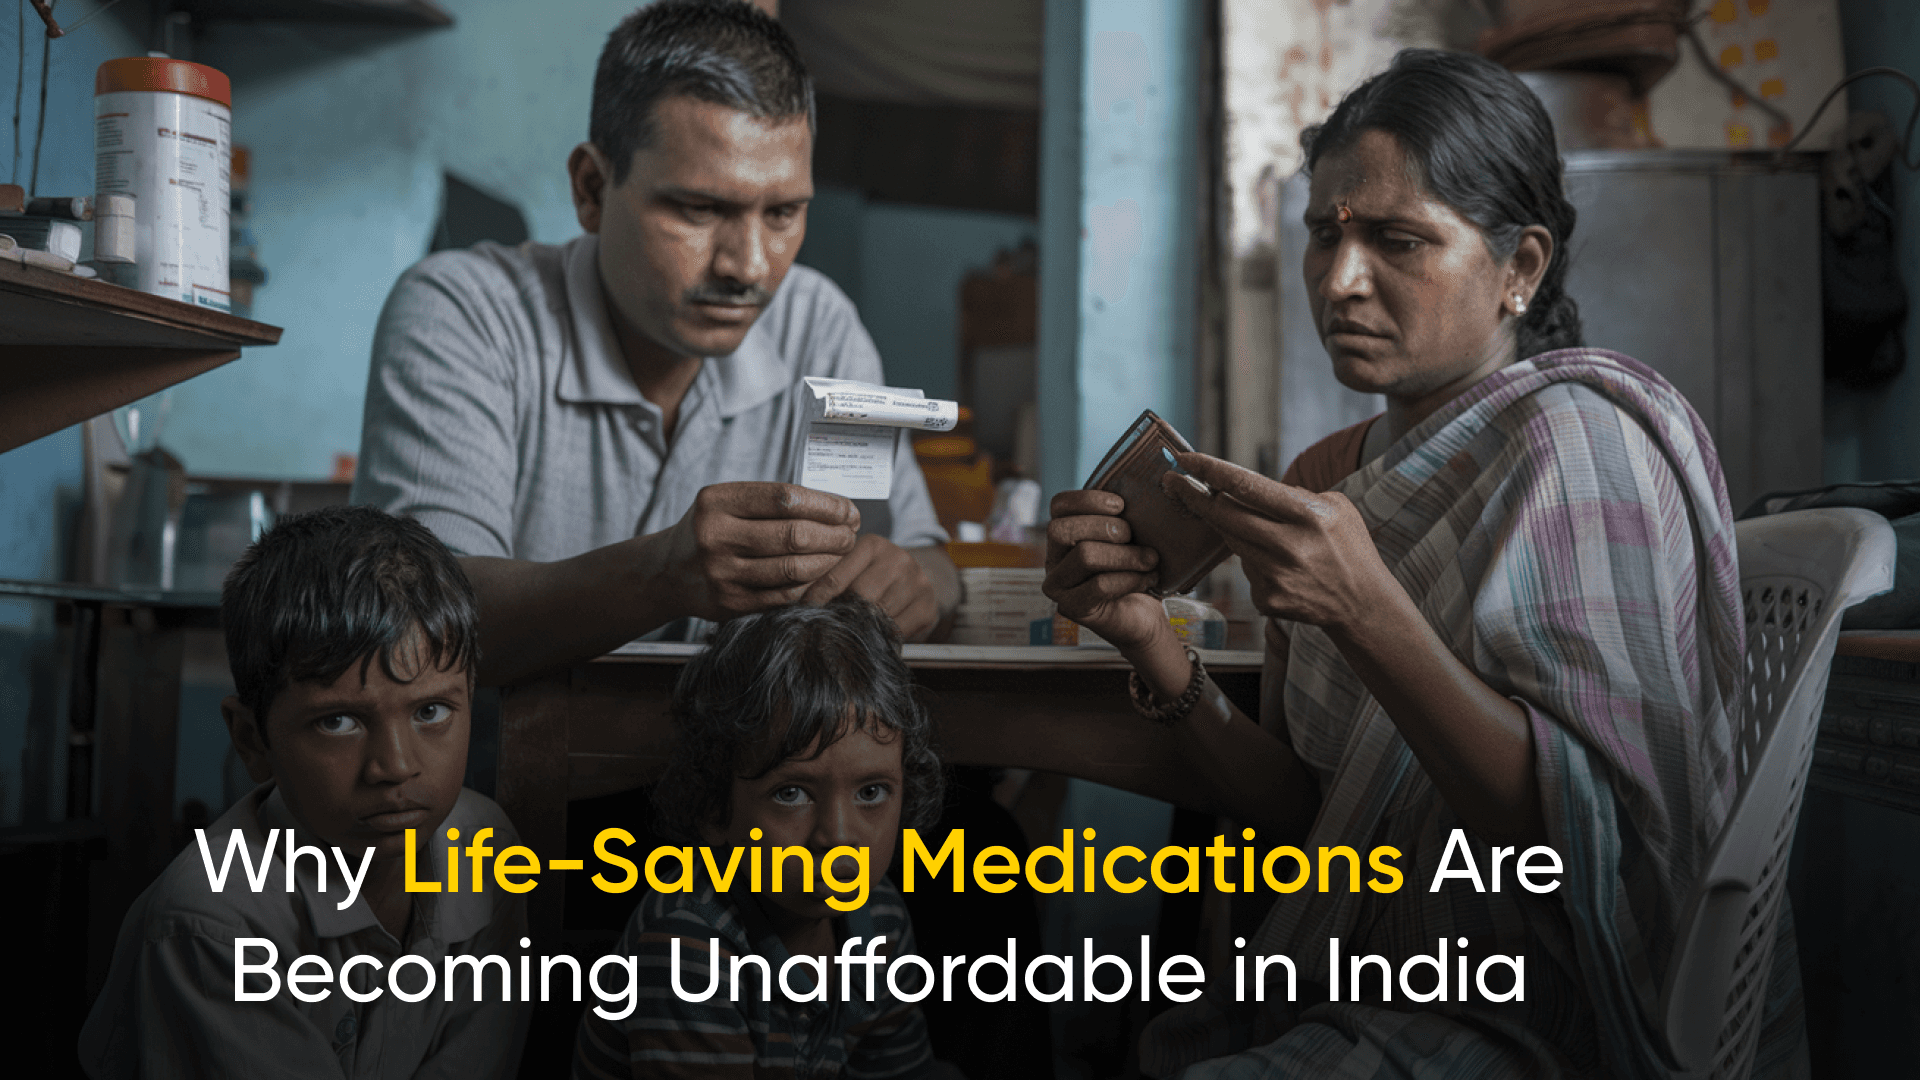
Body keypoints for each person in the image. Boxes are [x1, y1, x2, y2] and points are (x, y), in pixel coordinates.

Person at [1044, 50, 1803, 1079]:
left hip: (1523, 1017)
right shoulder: (1330, 479)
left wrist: (1368, 611)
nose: (1341, 281)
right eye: (1325, 235)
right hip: (1360, 990)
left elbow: (1601, 858)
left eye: (1400, 240)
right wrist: (1148, 642)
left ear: (1520, 270)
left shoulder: (1575, 448)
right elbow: (1310, 818)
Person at [352, 0, 958, 688]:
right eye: (700, 210)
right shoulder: (465, 313)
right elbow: (423, 621)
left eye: (784, 213)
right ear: (591, 188)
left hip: (748, 787)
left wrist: (916, 584)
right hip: (512, 783)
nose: (750, 267)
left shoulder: (821, 325)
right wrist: (659, 576)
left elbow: (925, 560)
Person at [79, 506, 529, 1078]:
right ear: (252, 739)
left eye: (432, 711)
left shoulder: (489, 851)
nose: (394, 766)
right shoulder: (214, 925)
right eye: (338, 722)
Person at [572, 596, 946, 1079]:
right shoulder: (690, 943)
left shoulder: (881, 919)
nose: (836, 838)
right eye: (791, 794)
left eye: (872, 792)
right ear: (713, 806)